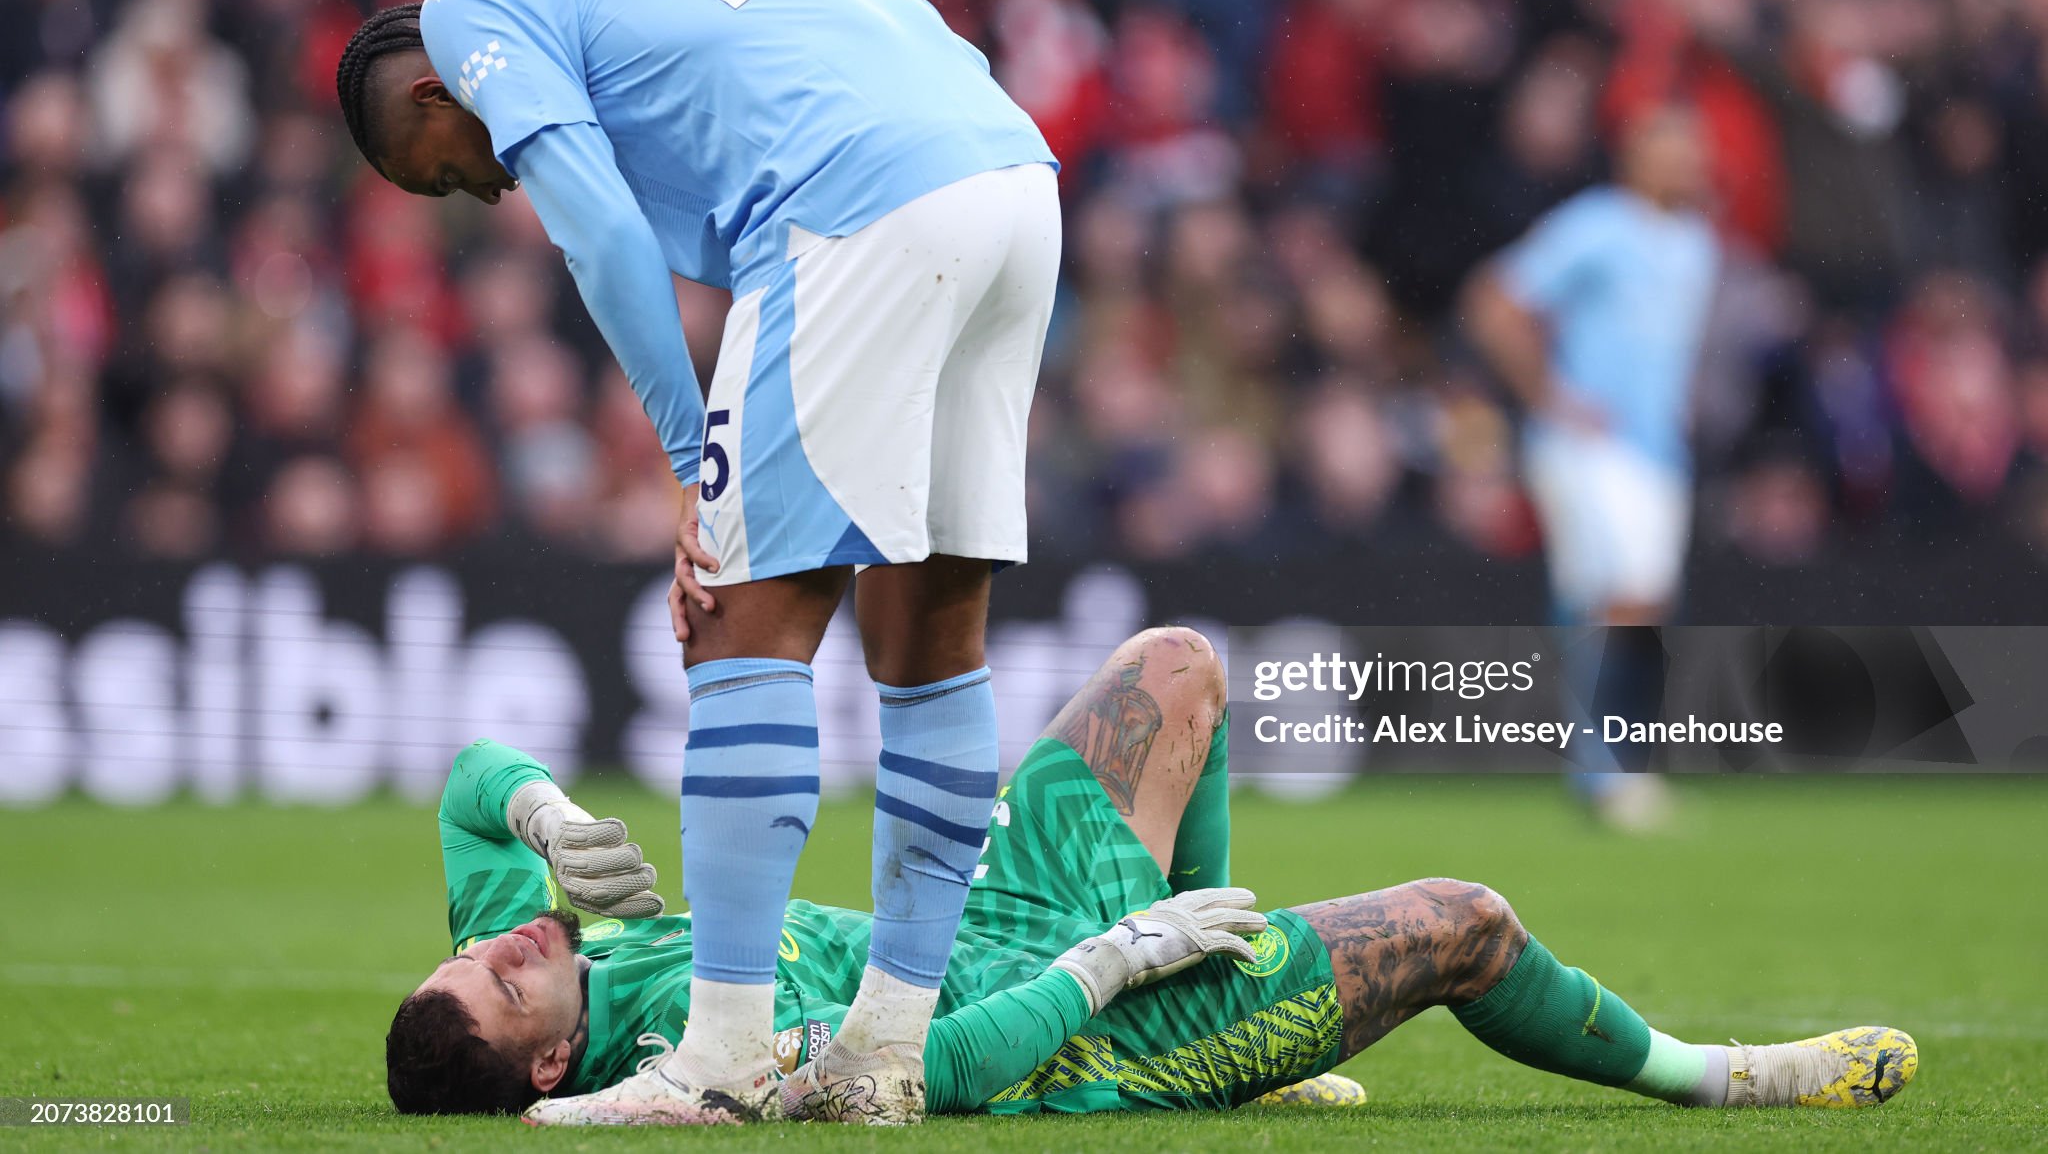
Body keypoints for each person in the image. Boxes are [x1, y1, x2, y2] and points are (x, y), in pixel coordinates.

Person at [335, 0, 1062, 1123]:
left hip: (856, 194)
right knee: (931, 632)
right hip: (1006, 180)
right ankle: (883, 1052)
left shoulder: (470, 12)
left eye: (447, 168)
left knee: (730, 622)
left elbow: (602, 237)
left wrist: (691, 459)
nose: (486, 185)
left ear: (434, 88)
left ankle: (719, 1059)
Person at [387, 627, 1917, 1123]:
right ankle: (1724, 1077)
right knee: (1468, 923)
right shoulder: (673, 1067)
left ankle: (1232, 976)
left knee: (1177, 667)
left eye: (483, 946)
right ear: (548, 1062)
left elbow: (459, 787)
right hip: (1078, 1028)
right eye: (509, 970)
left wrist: (530, 807)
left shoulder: (539, 954)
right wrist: (1125, 962)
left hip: (996, 914)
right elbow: (950, 1073)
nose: (516, 939)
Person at [1462, 107, 1721, 830]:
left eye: (1693, 151)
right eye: (1671, 149)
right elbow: (1495, 299)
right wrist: (1549, 394)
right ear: (1633, 160)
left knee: (1619, 603)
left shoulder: (1699, 244)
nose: (1688, 164)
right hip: (1591, 445)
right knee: (1623, 598)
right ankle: (1608, 772)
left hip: (1656, 451)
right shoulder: (1598, 225)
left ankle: (1600, 768)